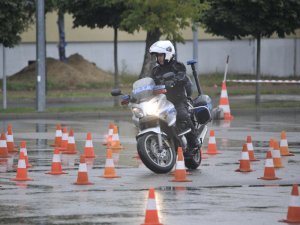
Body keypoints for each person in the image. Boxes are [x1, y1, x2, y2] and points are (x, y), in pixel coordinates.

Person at [149, 40, 200, 155]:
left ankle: (193, 141)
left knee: (182, 115)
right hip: (162, 102)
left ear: (168, 54)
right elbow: (150, 83)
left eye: (161, 55)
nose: (159, 58)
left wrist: (174, 81)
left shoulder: (178, 66)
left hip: (178, 100)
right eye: (157, 56)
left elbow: (182, 76)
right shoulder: (155, 70)